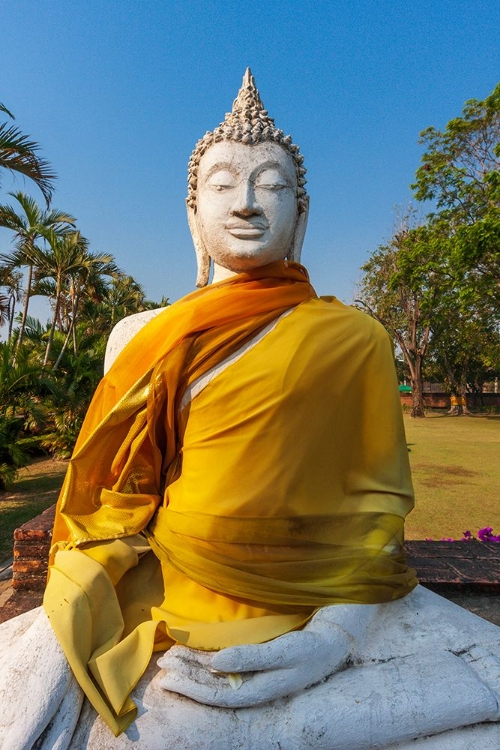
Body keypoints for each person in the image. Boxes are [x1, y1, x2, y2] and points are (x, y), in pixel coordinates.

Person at [1, 70, 500, 750]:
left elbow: (380, 508)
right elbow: (111, 507)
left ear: (302, 213)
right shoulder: (143, 335)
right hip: (170, 595)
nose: (245, 203)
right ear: (192, 215)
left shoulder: (355, 338)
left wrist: (334, 635)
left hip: (320, 608)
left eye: (271, 184)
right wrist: (81, 599)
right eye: (223, 183)